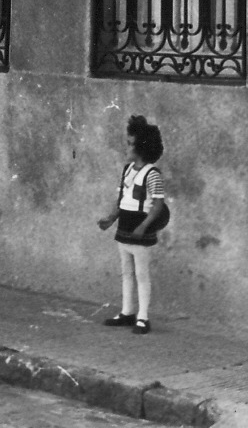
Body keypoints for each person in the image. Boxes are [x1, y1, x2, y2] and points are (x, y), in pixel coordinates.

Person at [97, 113, 167, 335]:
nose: (126, 148)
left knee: (141, 274)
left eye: (130, 144)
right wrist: (111, 218)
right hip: (125, 228)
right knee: (126, 272)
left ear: (142, 148)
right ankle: (127, 312)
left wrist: (144, 226)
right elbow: (122, 200)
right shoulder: (127, 171)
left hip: (139, 231)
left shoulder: (152, 174)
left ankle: (143, 317)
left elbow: (157, 204)